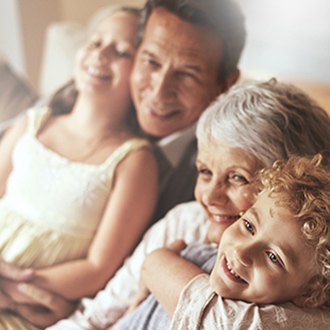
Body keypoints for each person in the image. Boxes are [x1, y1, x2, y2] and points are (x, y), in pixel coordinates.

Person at [0, 0, 247, 326]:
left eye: (187, 73)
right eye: (151, 61)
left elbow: (119, 286)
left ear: (225, 84)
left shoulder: (210, 184)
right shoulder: (61, 109)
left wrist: (64, 308)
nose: (160, 91)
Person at [48, 79, 330, 329]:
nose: (209, 197)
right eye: (205, 172)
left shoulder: (312, 279)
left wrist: (158, 266)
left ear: (286, 188)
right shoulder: (186, 222)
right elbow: (93, 318)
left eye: (237, 177)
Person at [0, 6, 158, 329]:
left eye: (121, 51)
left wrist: (13, 288)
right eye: (95, 42)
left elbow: (97, 267)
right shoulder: (33, 124)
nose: (101, 55)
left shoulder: (133, 160)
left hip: (28, 306)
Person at [113, 153, 330, 330]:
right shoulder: (196, 254)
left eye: (273, 257)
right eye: (248, 226)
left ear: (310, 292)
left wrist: (157, 262)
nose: (242, 252)